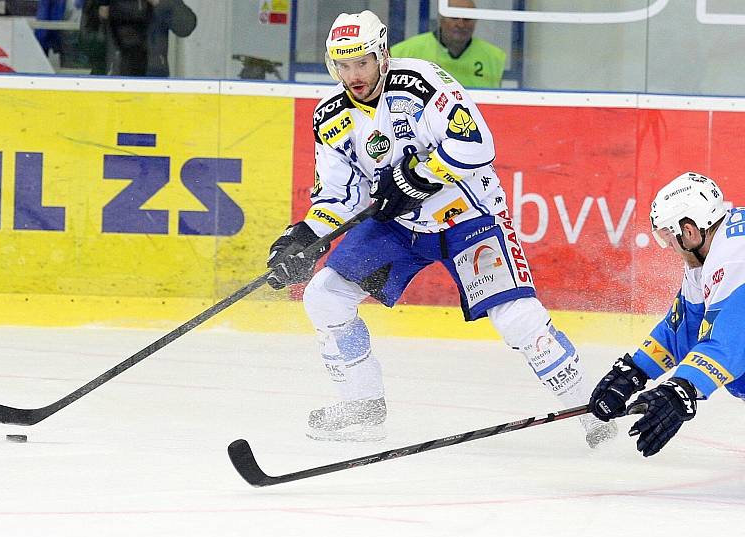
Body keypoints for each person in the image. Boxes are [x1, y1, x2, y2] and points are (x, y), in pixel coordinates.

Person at [266, 10, 617, 447]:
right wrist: (304, 237)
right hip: (400, 228)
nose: (353, 75)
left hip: (468, 217)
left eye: (362, 62)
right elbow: (340, 198)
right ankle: (363, 405)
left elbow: (476, 145)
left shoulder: (422, 83)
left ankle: (590, 409)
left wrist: (417, 176)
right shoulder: (330, 116)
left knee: (518, 319)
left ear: (382, 54)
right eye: (343, 64)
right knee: (325, 295)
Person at [589, 172, 745, 457]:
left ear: (689, 231)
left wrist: (680, 389)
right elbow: (686, 324)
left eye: (668, 238)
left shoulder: (734, 257)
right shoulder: (713, 251)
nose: (670, 248)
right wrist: (635, 372)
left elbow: (732, 342)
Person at [390, 0, 505, 89]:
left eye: (467, 19)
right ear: (441, 19)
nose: (461, 24)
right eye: (454, 17)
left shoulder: (494, 57)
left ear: (475, 21)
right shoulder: (404, 52)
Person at [97, 0, 196, 76]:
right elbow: (87, 37)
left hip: (153, 78)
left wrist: (160, 2)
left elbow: (186, 27)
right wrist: (102, 11)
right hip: (114, 78)